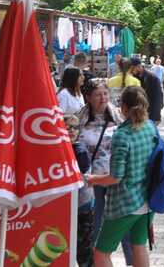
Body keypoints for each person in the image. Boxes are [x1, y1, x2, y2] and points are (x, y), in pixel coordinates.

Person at [88, 86, 157, 267]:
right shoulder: (150, 127)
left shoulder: (122, 134)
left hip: (124, 205)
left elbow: (115, 178)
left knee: (101, 253)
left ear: (123, 108)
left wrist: (91, 179)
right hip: (147, 202)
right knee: (139, 246)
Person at [76, 80, 132, 265]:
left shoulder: (118, 116)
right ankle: (95, 261)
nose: (103, 98)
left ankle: (131, 260)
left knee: (123, 220)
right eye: (98, 95)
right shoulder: (79, 120)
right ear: (89, 98)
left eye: (105, 94)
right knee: (95, 222)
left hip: (116, 177)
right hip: (92, 181)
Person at [66, 114, 93, 267]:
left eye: (75, 127)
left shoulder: (80, 150)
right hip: (66, 206)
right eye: (68, 127)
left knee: (84, 248)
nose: (72, 130)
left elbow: (81, 175)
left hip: (82, 204)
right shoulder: (61, 147)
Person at [131, 57, 164, 125]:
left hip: (150, 114)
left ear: (138, 67)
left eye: (132, 68)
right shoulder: (133, 77)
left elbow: (158, 98)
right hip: (138, 115)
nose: (131, 71)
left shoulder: (153, 78)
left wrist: (157, 117)